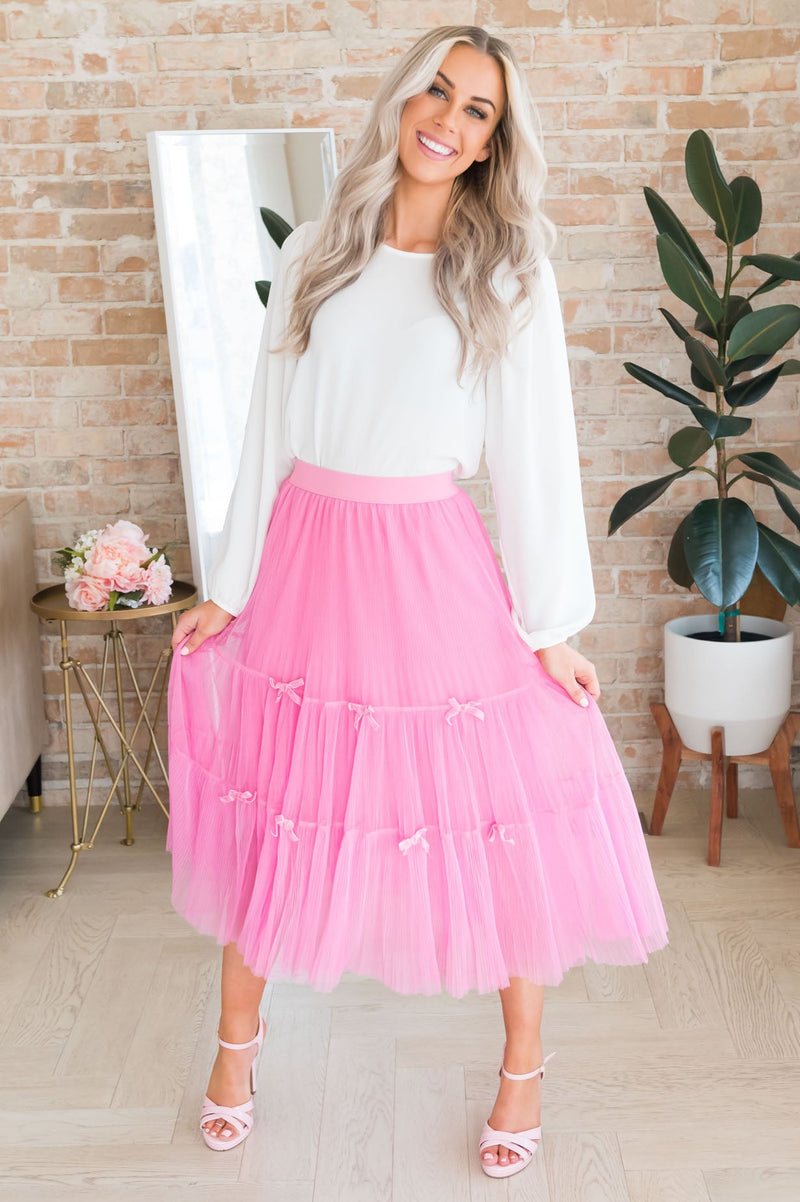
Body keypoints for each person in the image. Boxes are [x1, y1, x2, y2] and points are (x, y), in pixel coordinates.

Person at [167, 24, 669, 1178]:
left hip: (424, 558)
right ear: (401, 98)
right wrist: (228, 587)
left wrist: (549, 625)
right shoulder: (317, 249)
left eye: (475, 109)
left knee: (488, 809)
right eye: (436, 91)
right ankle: (235, 1050)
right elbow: (267, 426)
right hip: (306, 554)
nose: (446, 118)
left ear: (492, 141)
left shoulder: (506, 270)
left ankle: (521, 1062)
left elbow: (535, 450)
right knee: (282, 802)